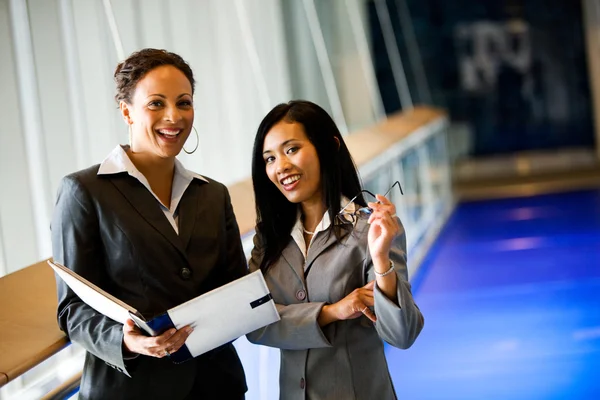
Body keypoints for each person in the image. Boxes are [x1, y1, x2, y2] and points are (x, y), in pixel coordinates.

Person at [51, 48, 248, 399]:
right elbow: (72, 309)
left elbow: (235, 290)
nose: (174, 116)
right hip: (132, 388)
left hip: (215, 385)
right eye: (156, 103)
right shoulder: (84, 192)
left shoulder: (213, 195)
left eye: (183, 103)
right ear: (126, 111)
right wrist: (124, 340)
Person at [246, 100, 424, 399]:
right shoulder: (269, 239)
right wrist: (332, 312)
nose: (281, 167)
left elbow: (402, 335)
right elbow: (255, 324)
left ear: (329, 147)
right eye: (269, 158)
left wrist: (381, 261)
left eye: (291, 149)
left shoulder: (369, 230)